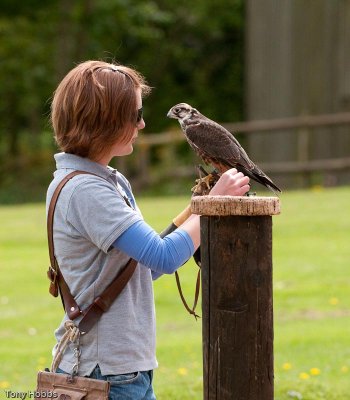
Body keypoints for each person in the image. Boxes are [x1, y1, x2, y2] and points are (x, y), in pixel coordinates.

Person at [47, 60, 250, 400]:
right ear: (106, 122)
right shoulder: (86, 190)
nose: (142, 123)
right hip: (106, 373)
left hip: (122, 369)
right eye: (135, 114)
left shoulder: (106, 181)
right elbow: (165, 257)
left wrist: (192, 210)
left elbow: (145, 266)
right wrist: (213, 204)